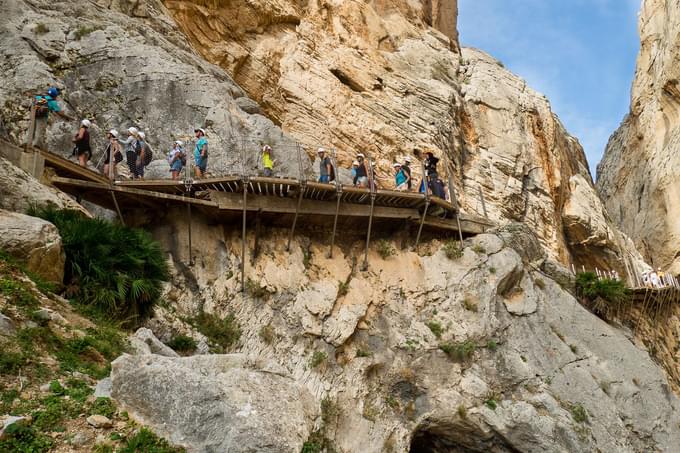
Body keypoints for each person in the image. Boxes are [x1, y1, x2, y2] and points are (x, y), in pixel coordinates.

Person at [28, 86, 72, 150]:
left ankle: (26, 141)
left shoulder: (39, 97)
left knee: (31, 128)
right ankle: (37, 145)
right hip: (42, 116)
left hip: (33, 114)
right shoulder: (52, 101)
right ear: (55, 95)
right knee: (39, 130)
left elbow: (32, 102)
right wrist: (68, 117)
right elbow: (59, 112)